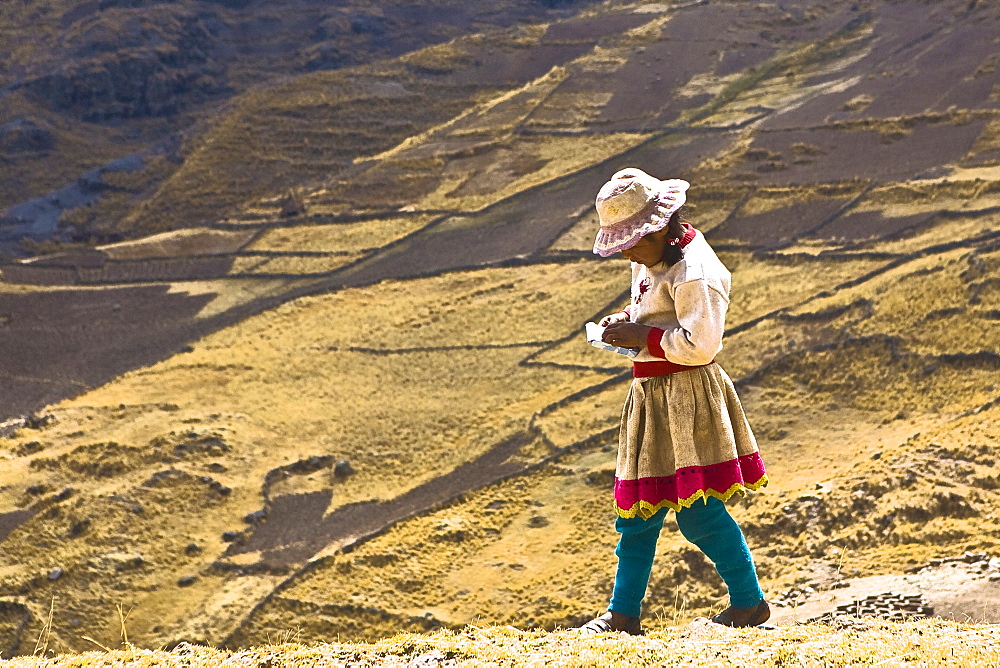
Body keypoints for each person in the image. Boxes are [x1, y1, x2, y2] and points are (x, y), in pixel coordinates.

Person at [577, 168, 769, 635]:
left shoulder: (695, 272)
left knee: (698, 511)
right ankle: (622, 614)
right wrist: (626, 320)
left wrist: (643, 335)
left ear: (662, 226)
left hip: (685, 397)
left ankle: (749, 603)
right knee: (638, 512)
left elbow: (700, 344)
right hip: (651, 396)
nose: (626, 252)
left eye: (632, 242)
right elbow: (651, 308)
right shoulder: (650, 257)